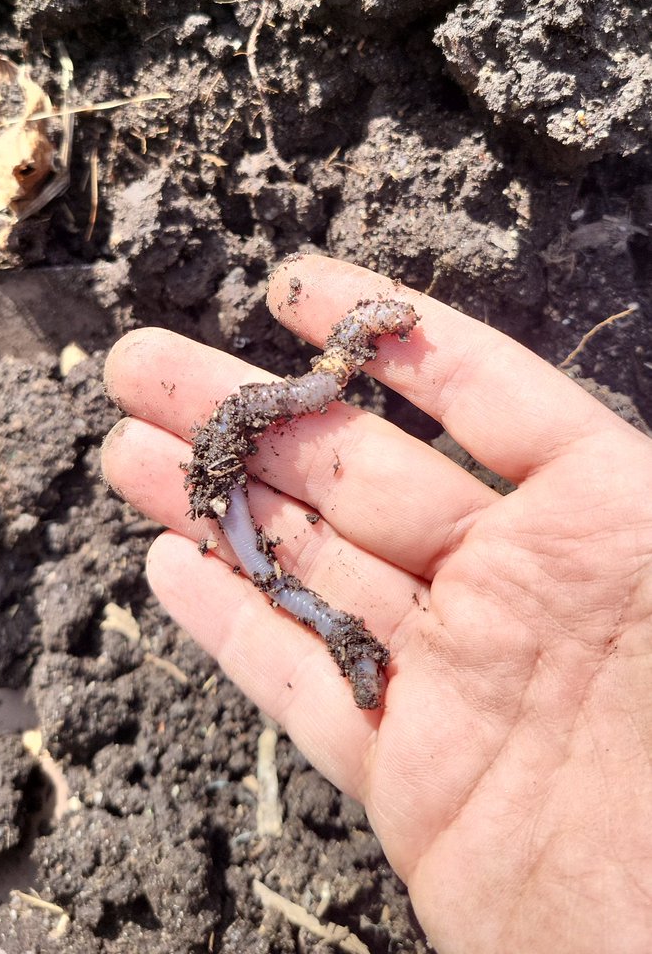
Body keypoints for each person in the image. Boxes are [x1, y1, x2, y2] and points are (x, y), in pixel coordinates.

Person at [102, 254, 652, 954]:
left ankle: (341, 636)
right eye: (380, 327)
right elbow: (300, 398)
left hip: (255, 511)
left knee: (283, 586)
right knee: (274, 581)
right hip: (235, 489)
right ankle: (339, 633)